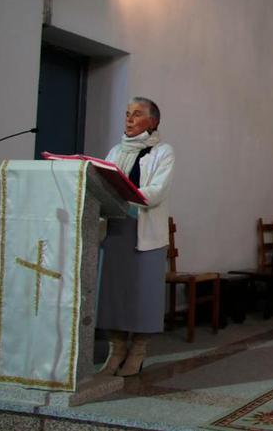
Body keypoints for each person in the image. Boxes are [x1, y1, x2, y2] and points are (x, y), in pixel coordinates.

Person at [96, 97, 174, 377]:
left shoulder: (163, 152)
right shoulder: (115, 151)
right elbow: (101, 184)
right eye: (127, 113)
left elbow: (158, 190)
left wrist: (130, 194)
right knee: (113, 293)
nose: (129, 119)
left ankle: (138, 351)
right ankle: (115, 350)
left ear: (152, 122)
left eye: (137, 114)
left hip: (145, 233)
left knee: (143, 294)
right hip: (116, 229)